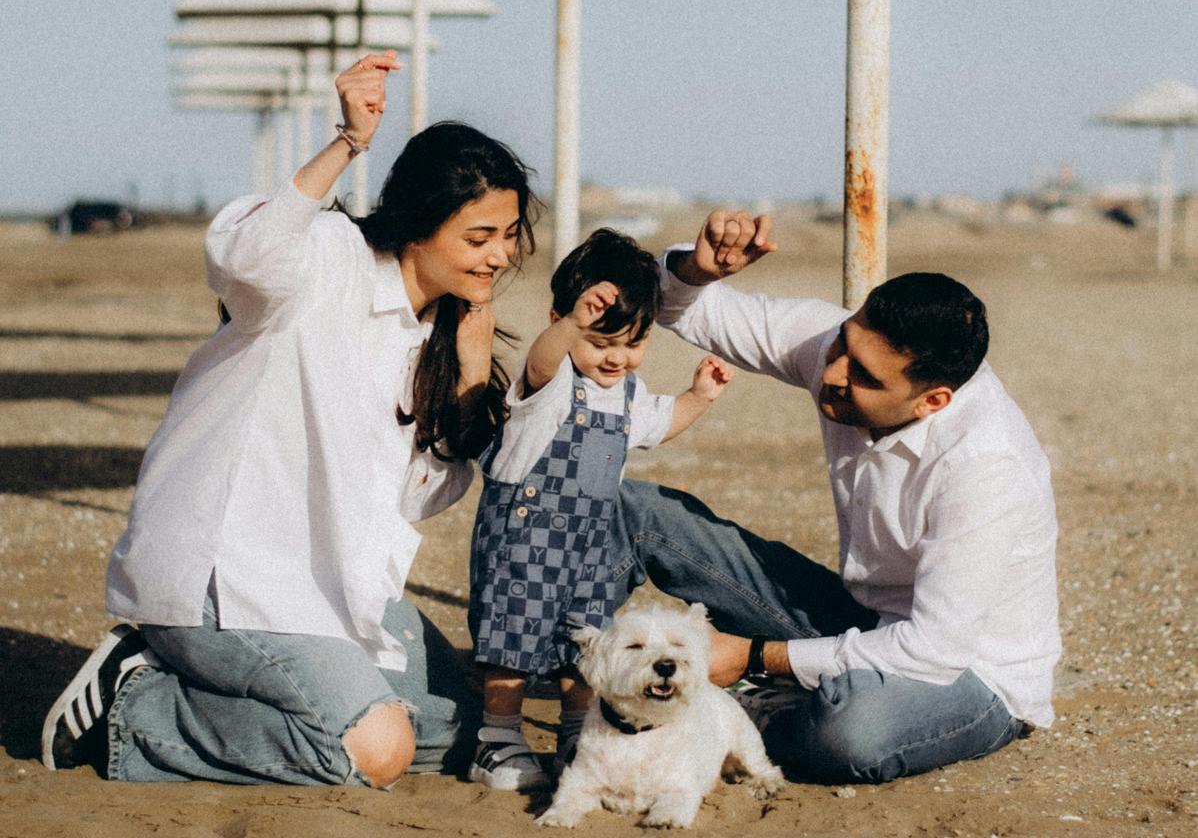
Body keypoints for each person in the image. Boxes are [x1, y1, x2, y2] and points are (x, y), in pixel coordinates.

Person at [41, 51, 540, 787]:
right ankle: (134, 708)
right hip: (222, 577)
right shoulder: (326, 262)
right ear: (420, 223)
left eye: (508, 235)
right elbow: (243, 256)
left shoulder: (432, 336)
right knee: (375, 750)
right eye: (480, 236)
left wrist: (469, 370)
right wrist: (346, 143)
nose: (500, 256)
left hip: (323, 586)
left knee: (459, 733)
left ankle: (222, 690)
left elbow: (408, 500)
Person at [609, 211, 1061, 784]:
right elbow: (689, 309)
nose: (834, 374)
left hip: (968, 674)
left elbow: (932, 649)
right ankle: (577, 692)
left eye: (867, 377)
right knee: (639, 511)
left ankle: (744, 710)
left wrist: (751, 656)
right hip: (861, 622)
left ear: (933, 401)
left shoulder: (986, 466)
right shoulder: (838, 352)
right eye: (843, 344)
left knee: (848, 735)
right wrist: (697, 270)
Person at [466, 229, 735, 790]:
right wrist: (568, 329)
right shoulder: (553, 381)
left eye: (632, 343)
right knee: (513, 636)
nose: (616, 357)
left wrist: (699, 398)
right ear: (562, 322)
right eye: (600, 341)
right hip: (524, 536)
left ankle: (574, 730)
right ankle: (498, 738)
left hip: (588, 544)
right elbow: (542, 360)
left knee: (583, 641)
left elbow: (660, 426)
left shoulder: (626, 393)